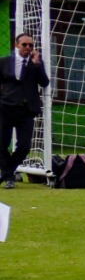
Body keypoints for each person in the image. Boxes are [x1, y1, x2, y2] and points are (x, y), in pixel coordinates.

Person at [0, 32, 44, 187]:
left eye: (31, 45)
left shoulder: (36, 63)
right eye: (24, 44)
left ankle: (7, 173)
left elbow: (44, 82)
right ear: (16, 45)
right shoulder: (4, 62)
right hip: (5, 108)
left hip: (26, 110)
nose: (28, 47)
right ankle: (9, 177)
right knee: (1, 144)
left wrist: (36, 65)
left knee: (24, 146)